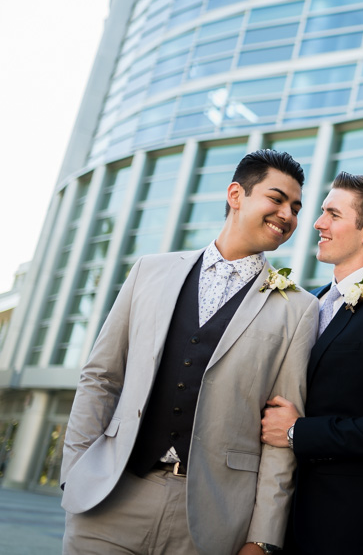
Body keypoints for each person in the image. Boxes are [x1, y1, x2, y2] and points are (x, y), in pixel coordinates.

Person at [61, 149, 319, 555]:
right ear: (236, 194)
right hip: (111, 499)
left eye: (296, 207)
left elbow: (279, 432)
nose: (288, 214)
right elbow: (101, 377)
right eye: (277, 198)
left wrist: (261, 537)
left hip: (211, 519)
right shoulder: (149, 270)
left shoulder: (298, 307)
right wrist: (74, 471)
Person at [261, 172, 363, 555]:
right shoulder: (307, 303)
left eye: (332, 214)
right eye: (321, 212)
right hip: (275, 516)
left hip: (339, 528)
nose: (318, 223)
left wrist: (297, 433)